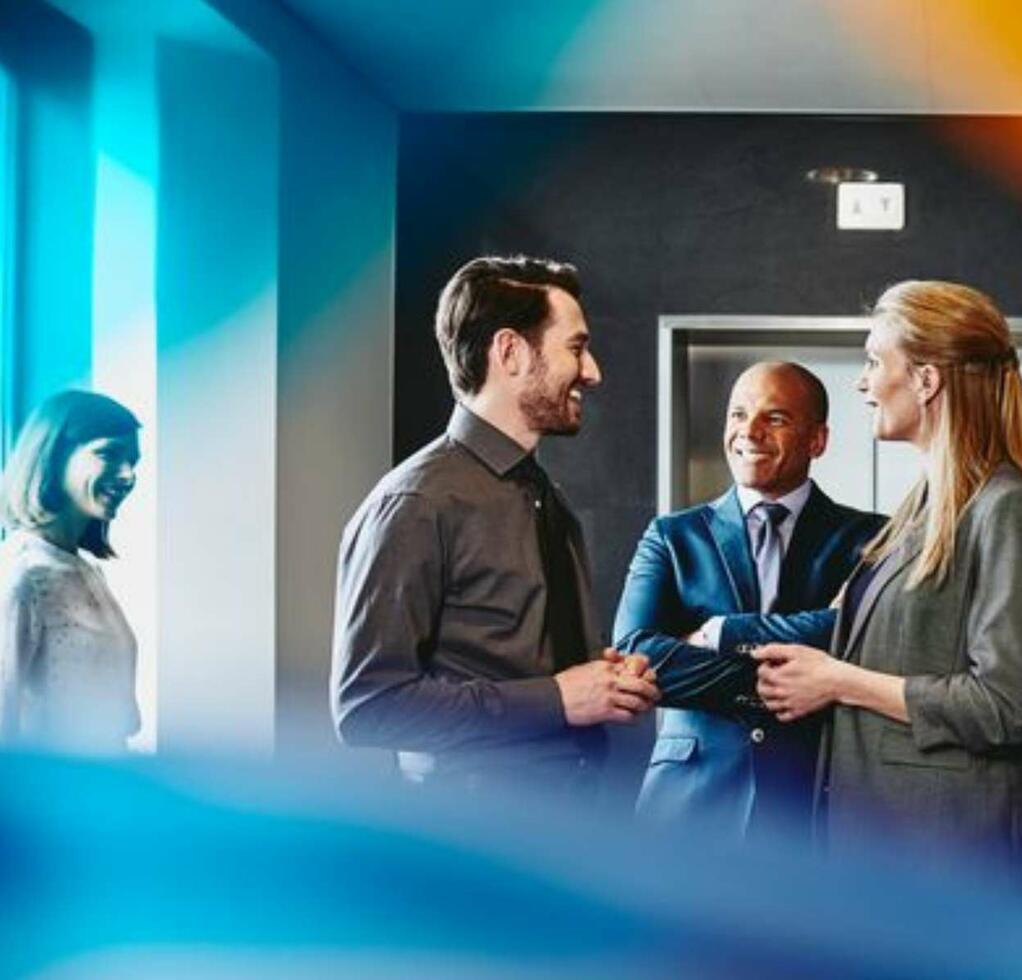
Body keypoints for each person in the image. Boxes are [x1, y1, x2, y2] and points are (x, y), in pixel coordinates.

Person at [751, 281, 1022, 881]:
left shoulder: (1008, 508)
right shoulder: (925, 505)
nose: (862, 383)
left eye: (874, 361)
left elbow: (1005, 706)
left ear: (926, 380)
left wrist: (839, 682)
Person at [331, 255, 659, 797]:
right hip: (471, 846)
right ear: (509, 352)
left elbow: (530, 665)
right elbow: (368, 707)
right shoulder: (414, 503)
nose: (593, 371)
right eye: (576, 348)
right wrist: (558, 697)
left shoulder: (545, 498)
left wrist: (604, 680)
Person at [613, 362, 883, 837]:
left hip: (811, 808)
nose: (749, 431)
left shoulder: (870, 538)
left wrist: (719, 634)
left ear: (817, 440)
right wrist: (799, 678)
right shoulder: (673, 536)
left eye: (775, 418)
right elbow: (636, 656)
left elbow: (862, 638)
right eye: (738, 414)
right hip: (687, 807)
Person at [0, 390, 142, 754]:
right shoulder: (22, 575)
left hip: (102, 790)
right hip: (50, 800)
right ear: (53, 456)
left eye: (133, 461)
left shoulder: (86, 571)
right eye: (108, 453)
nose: (128, 475)